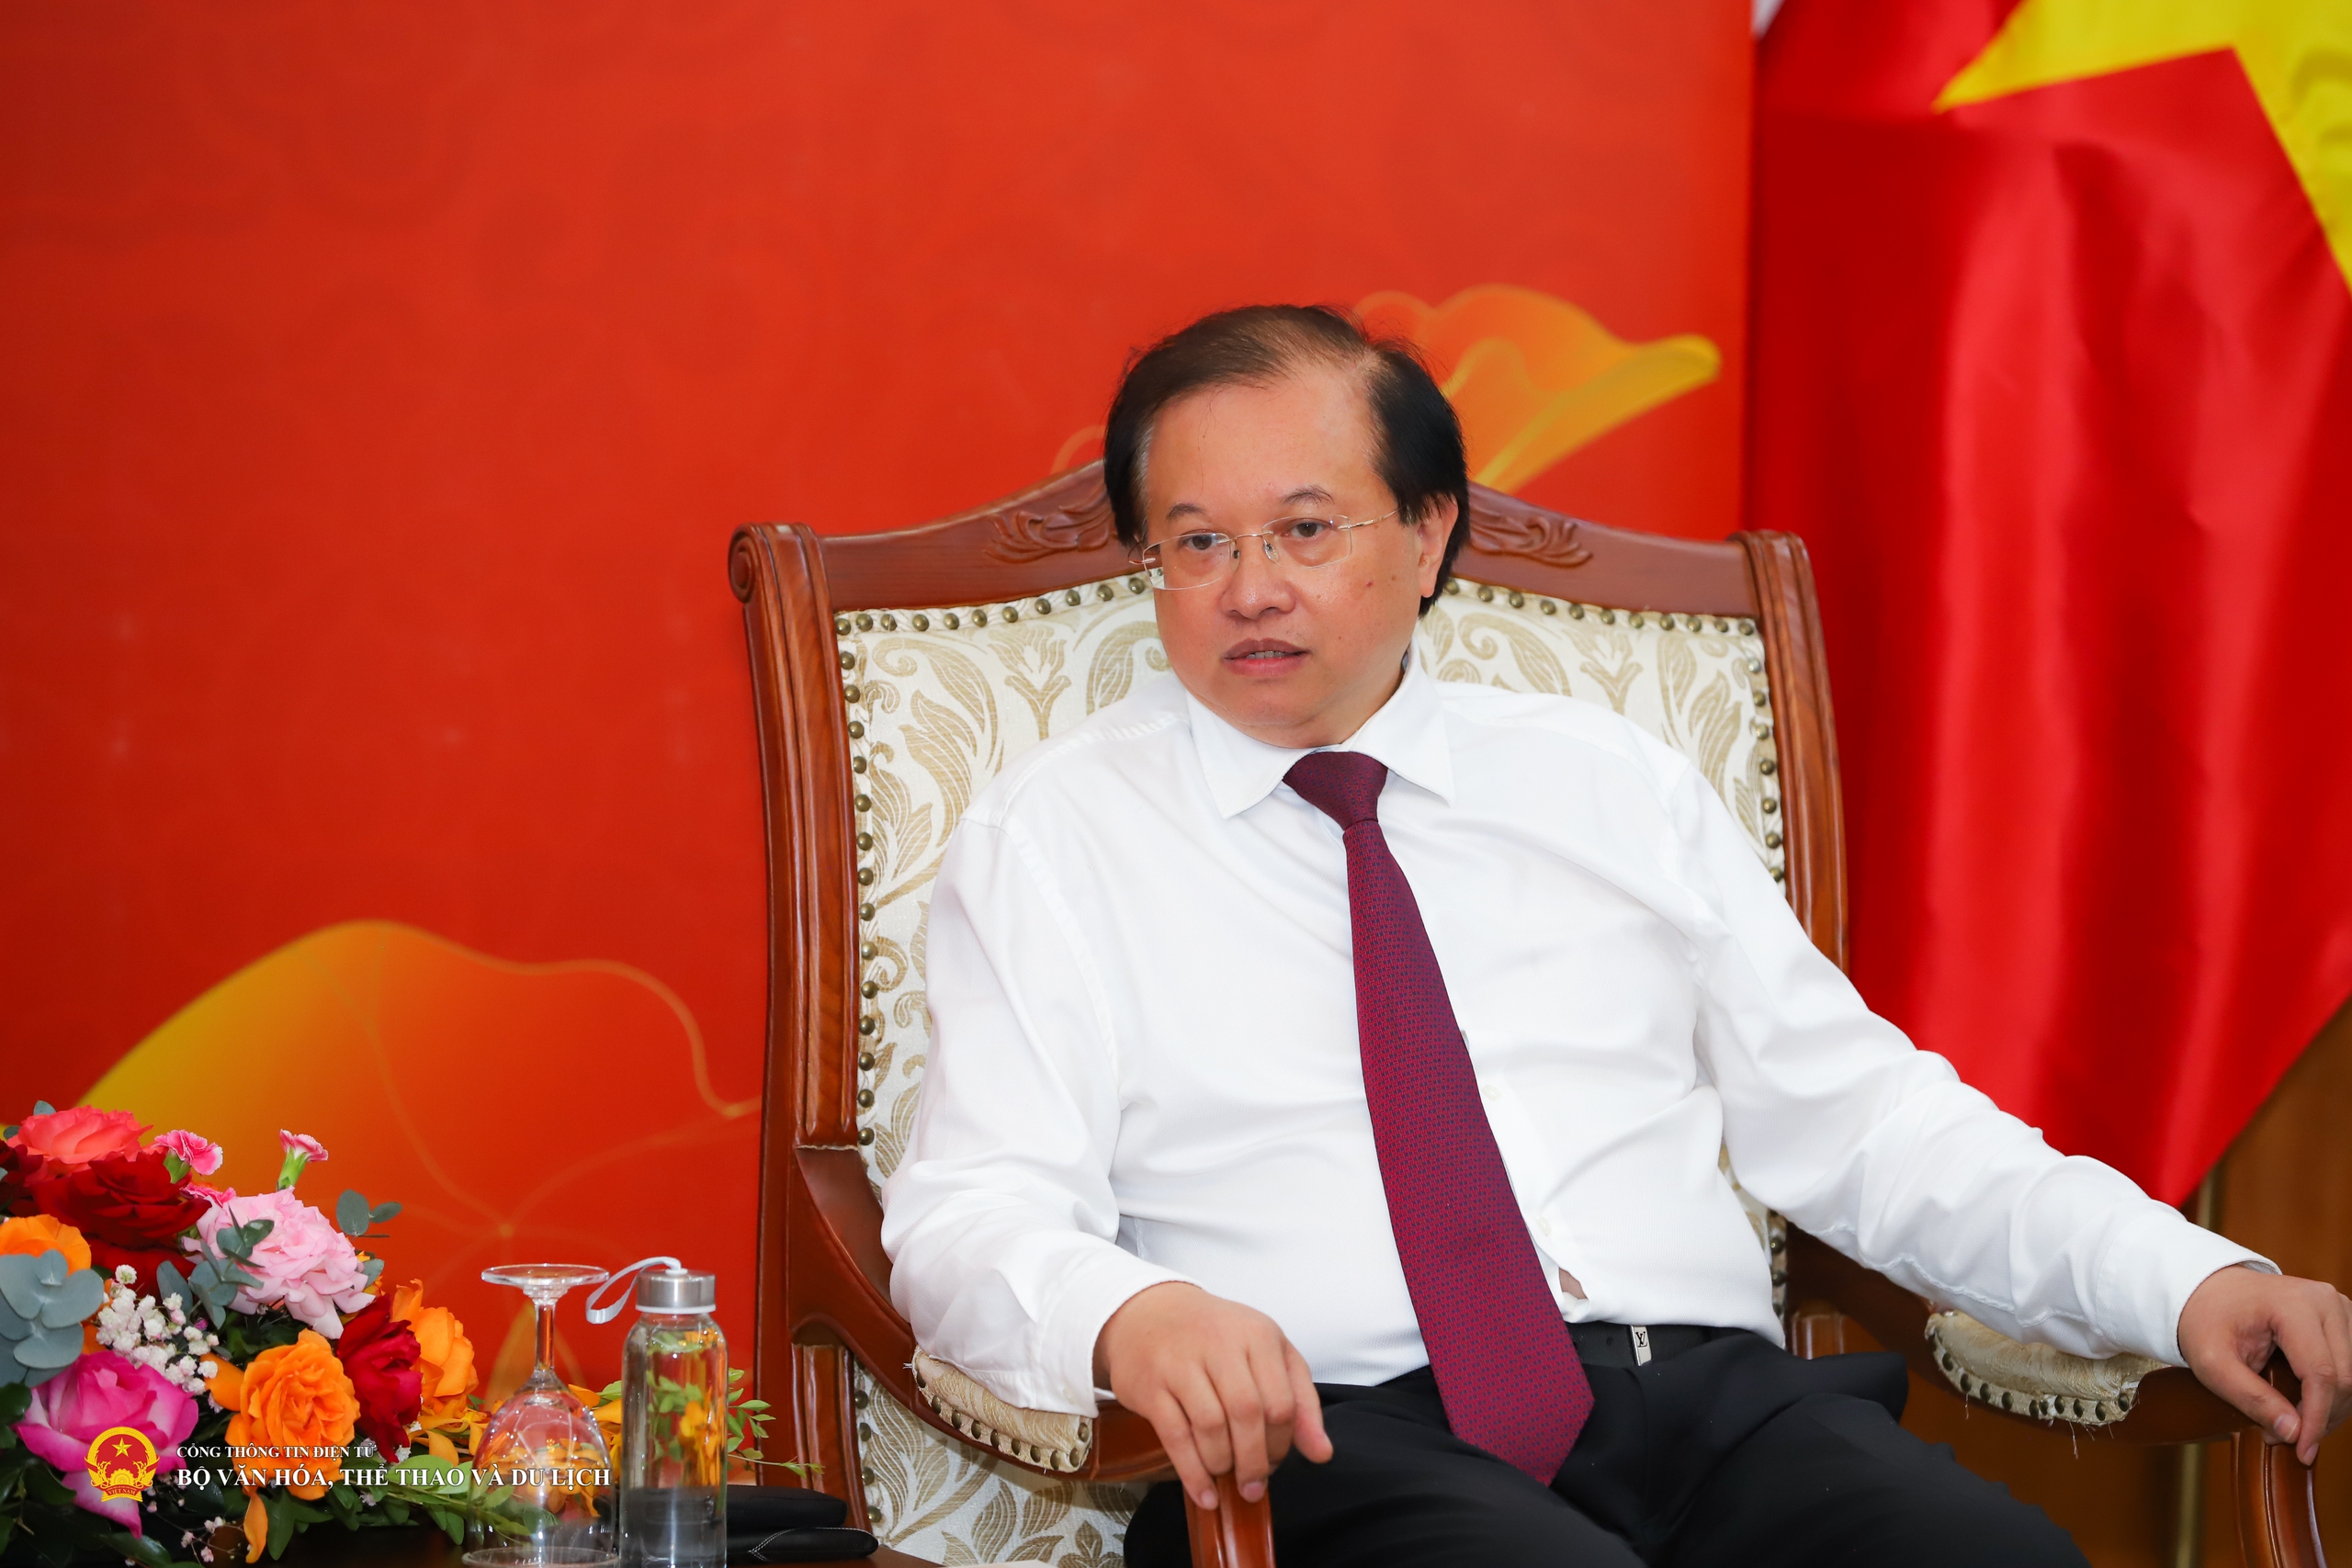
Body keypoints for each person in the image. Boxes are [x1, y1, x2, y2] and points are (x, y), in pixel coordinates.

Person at [878, 305, 2352, 1567]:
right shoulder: (1058, 836)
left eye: (1306, 531)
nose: (1250, 588)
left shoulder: (1609, 784)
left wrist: (2183, 1280)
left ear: (1428, 532)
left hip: (1714, 1412)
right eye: (1197, 543)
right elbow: (968, 1212)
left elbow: (1869, 1125)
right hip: (1338, 1444)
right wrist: (1132, 1313)